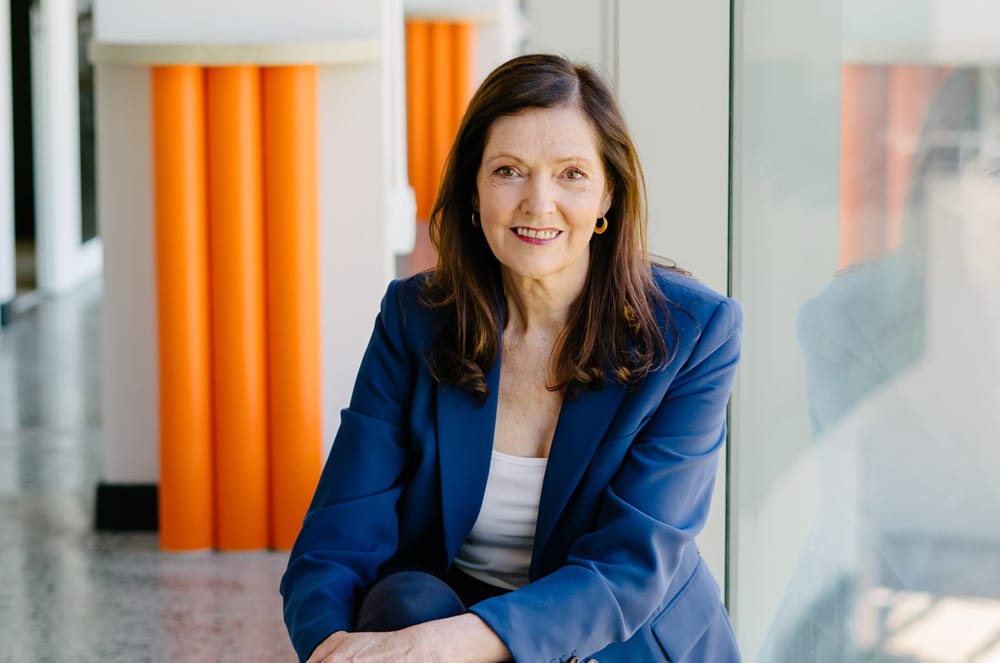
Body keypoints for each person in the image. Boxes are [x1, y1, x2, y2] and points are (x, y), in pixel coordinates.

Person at [281, 53, 743, 663]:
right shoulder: (413, 318)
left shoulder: (693, 333)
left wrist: (446, 645)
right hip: (448, 615)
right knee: (402, 606)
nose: (538, 202)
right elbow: (337, 538)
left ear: (608, 195)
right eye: (509, 171)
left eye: (571, 174)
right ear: (475, 191)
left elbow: (631, 567)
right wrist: (331, 650)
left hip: (615, 637)